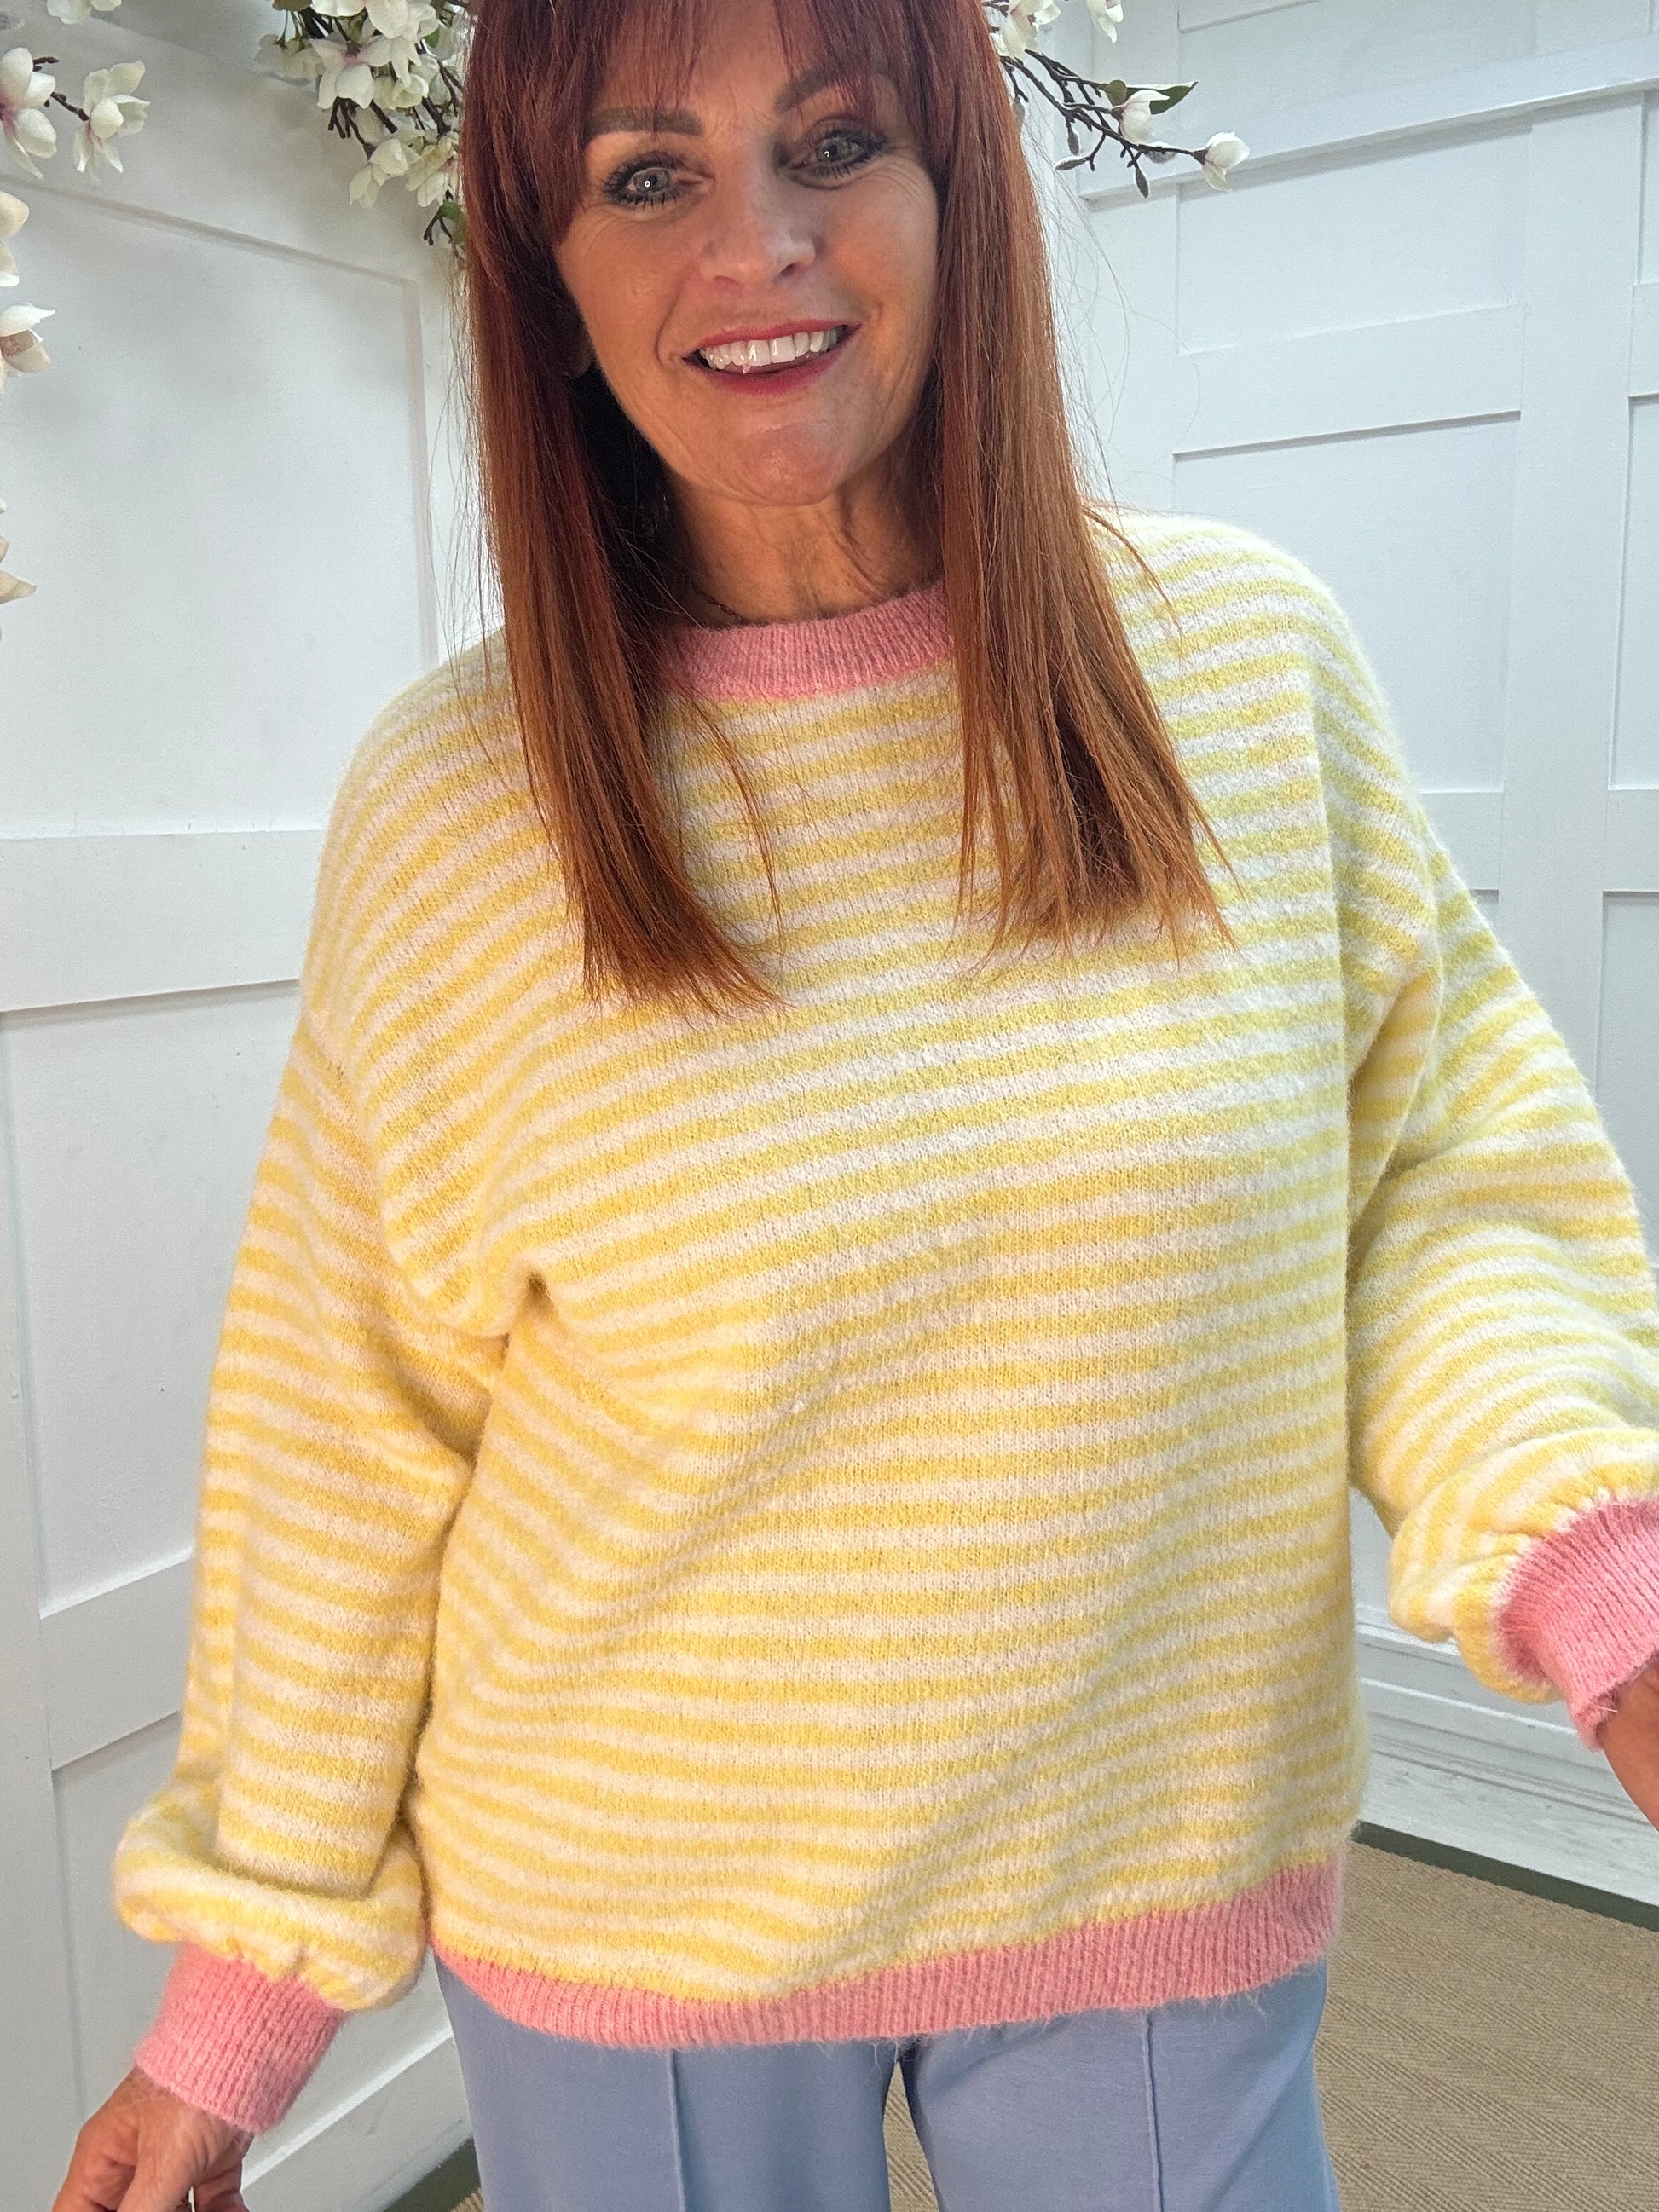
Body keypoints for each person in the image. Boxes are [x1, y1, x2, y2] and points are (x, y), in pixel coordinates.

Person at [52, 0, 1659, 2206]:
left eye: (833, 143)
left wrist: (1610, 1577)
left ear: (954, 191)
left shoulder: (1244, 669)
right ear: (543, 264)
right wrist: (240, 1997)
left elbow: (1434, 1197)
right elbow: (343, 1427)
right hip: (628, 1923)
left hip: (1151, 1856)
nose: (757, 245)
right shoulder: (457, 803)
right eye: (647, 176)